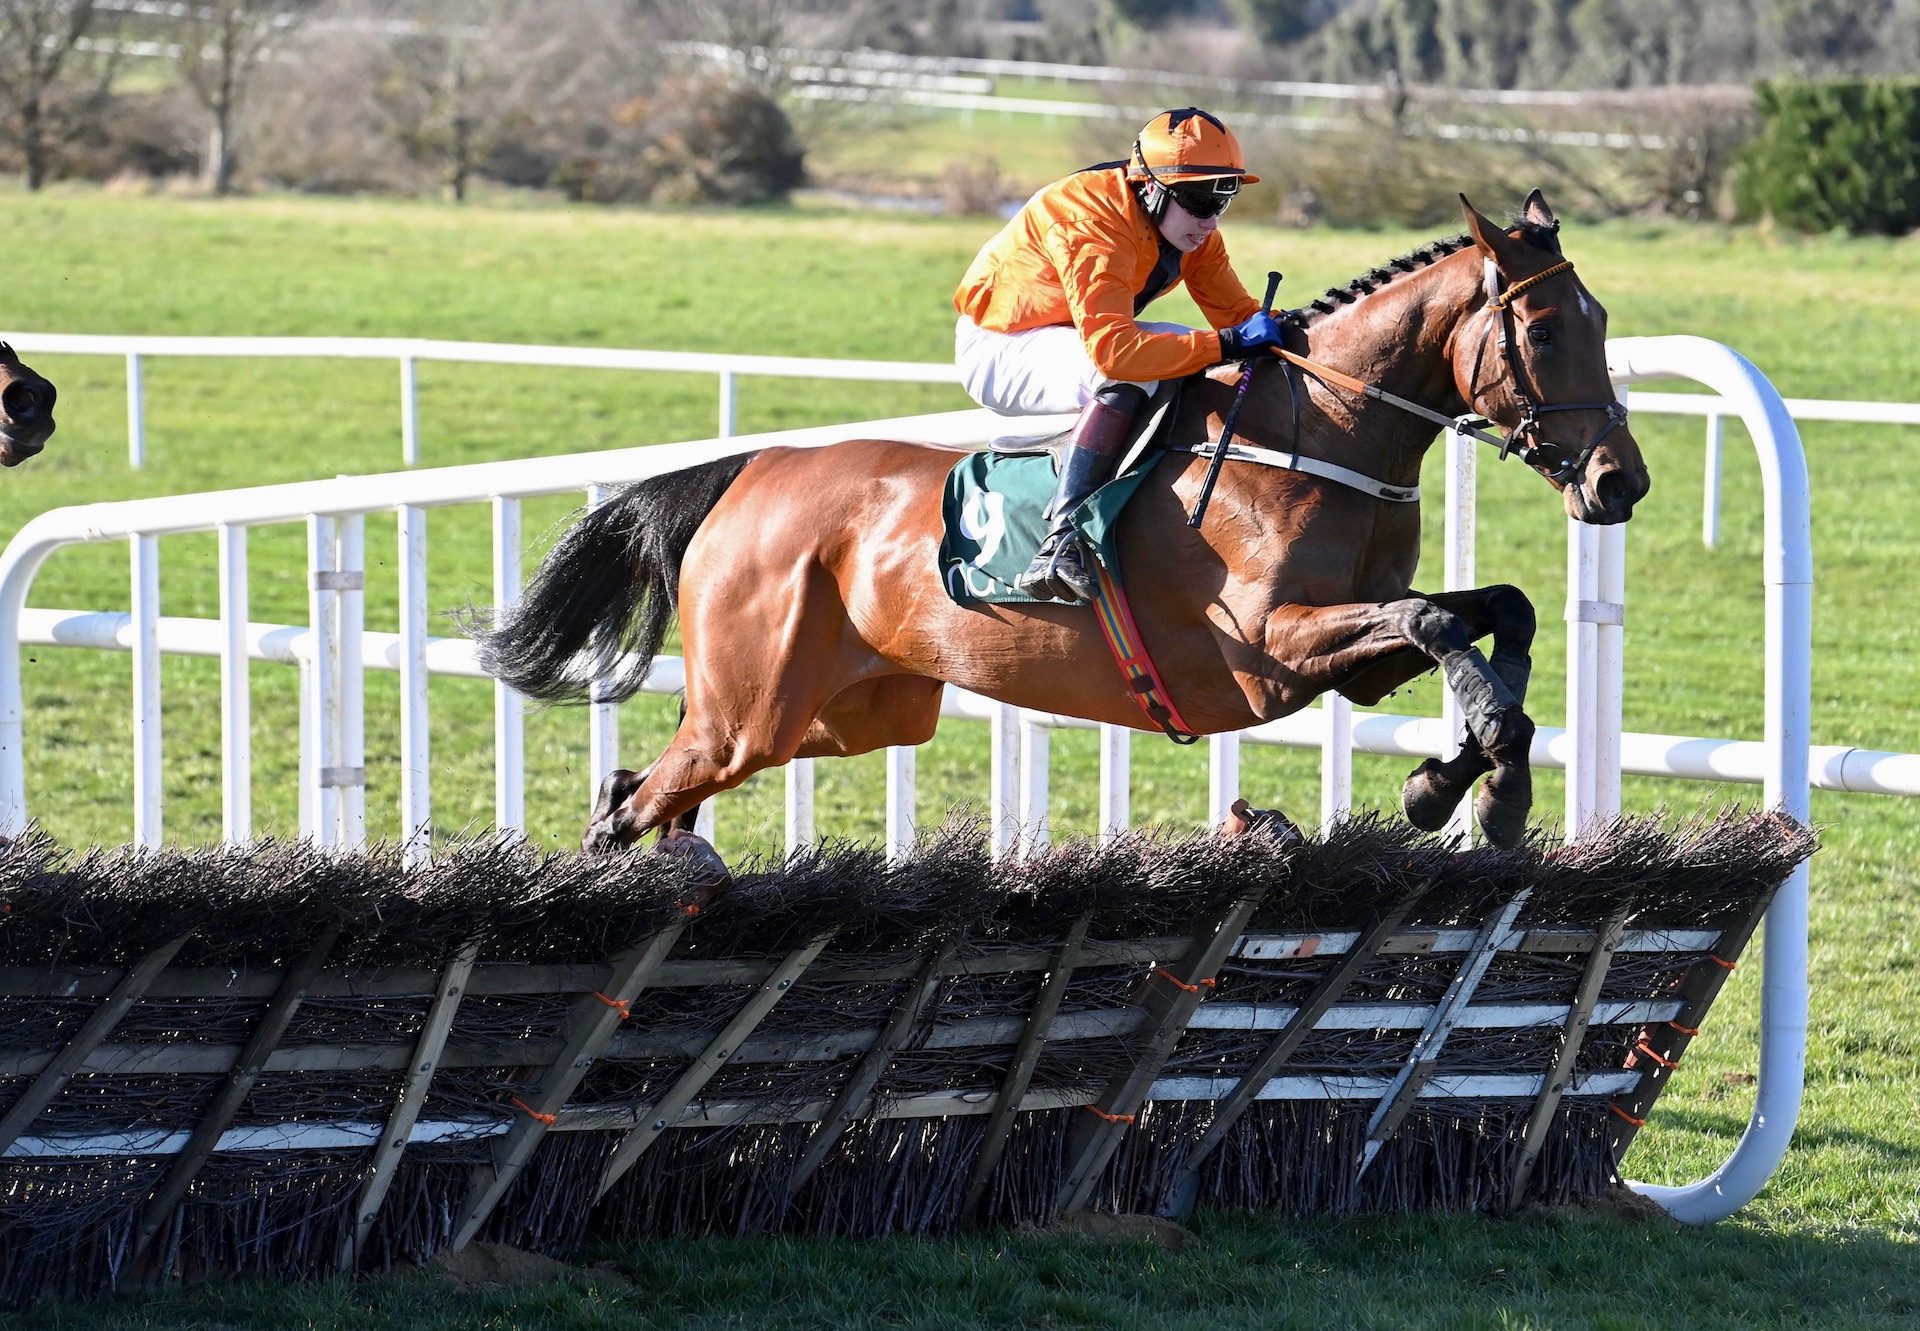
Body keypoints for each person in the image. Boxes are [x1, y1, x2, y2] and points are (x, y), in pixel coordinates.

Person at [952, 107, 1285, 603]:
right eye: (1198, 201)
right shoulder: (1091, 217)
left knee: (1182, 344)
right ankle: (1061, 539)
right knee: (1141, 370)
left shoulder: (1190, 229)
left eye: (1223, 199)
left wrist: (1292, 333)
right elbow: (1115, 353)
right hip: (1002, 346)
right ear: (1151, 187)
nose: (1210, 220)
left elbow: (1236, 316)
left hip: (1067, 337)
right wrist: (1229, 344)